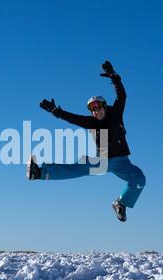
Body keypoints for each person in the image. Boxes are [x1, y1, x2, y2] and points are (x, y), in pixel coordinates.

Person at [27, 61, 145, 222]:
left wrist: (114, 78)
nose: (95, 111)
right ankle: (39, 172)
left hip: (122, 162)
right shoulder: (93, 122)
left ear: (105, 106)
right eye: (92, 109)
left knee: (139, 179)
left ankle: (121, 203)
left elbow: (122, 96)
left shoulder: (115, 115)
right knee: (77, 168)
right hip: (102, 160)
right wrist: (57, 112)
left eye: (98, 107)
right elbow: (74, 119)